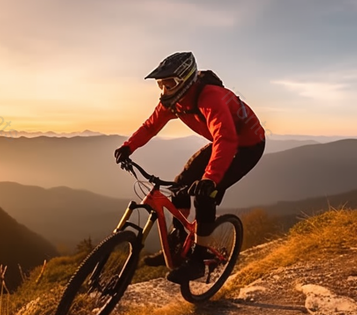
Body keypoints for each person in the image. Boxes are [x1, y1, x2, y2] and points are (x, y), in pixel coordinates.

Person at [114, 51, 266, 284]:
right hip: (222, 142)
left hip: (247, 146)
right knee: (180, 183)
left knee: (206, 195)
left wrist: (210, 179)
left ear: (185, 80)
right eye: (160, 84)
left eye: (169, 83)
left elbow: (227, 140)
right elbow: (150, 126)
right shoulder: (173, 101)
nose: (164, 90)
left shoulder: (210, 98)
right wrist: (128, 147)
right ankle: (177, 241)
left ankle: (198, 259)